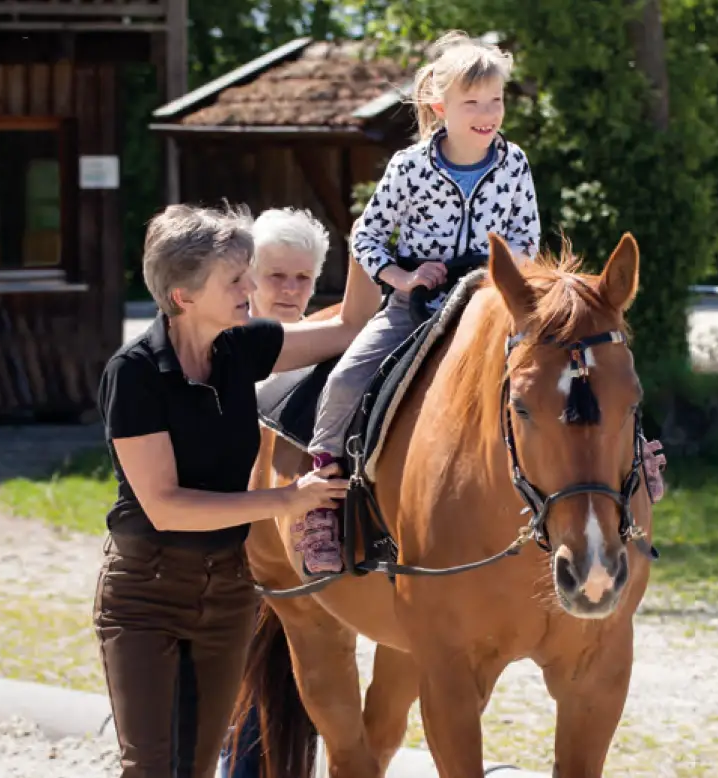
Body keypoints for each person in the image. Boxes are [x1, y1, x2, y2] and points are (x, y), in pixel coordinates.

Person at [93, 201, 367, 778]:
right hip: (148, 592)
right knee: (151, 768)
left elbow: (347, 329)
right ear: (184, 297)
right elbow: (165, 507)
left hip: (230, 593)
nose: (251, 287)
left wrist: (372, 236)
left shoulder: (241, 346)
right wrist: (285, 501)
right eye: (236, 279)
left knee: (194, 766)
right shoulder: (135, 371)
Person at [298, 30, 543, 574]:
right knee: (344, 380)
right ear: (441, 107)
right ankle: (319, 503)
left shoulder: (515, 164)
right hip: (417, 309)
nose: (487, 113)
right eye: (472, 102)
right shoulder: (409, 166)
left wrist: (502, 286)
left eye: (495, 101)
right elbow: (366, 236)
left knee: (566, 362)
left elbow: (528, 244)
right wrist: (402, 277)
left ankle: (631, 461)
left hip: (487, 309)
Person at [217, 206, 330, 778]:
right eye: (276, 275)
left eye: (303, 278)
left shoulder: (328, 364)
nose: (289, 290)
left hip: (291, 558)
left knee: (294, 706)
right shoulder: (218, 350)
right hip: (219, 557)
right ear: (248, 278)